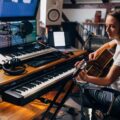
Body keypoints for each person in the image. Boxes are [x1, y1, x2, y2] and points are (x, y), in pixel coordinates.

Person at [75, 10, 120, 118]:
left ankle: (93, 114)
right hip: (115, 91)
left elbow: (107, 80)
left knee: (82, 85)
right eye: (106, 26)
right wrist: (97, 51)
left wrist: (86, 78)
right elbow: (109, 43)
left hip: (116, 98)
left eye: (112, 26)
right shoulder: (118, 40)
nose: (107, 30)